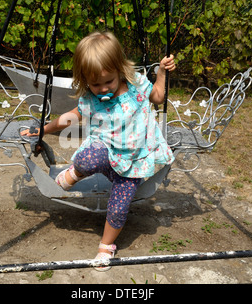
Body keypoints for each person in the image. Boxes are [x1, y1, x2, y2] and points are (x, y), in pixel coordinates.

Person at [21, 31, 176, 271]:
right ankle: (73, 174)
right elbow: (69, 118)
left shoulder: (136, 85)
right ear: (85, 80)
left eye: (109, 82)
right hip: (105, 152)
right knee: (86, 157)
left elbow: (157, 97)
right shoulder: (90, 99)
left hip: (132, 162)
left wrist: (162, 73)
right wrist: (44, 129)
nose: (103, 89)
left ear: (120, 70)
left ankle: (106, 246)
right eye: (95, 84)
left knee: (119, 207)